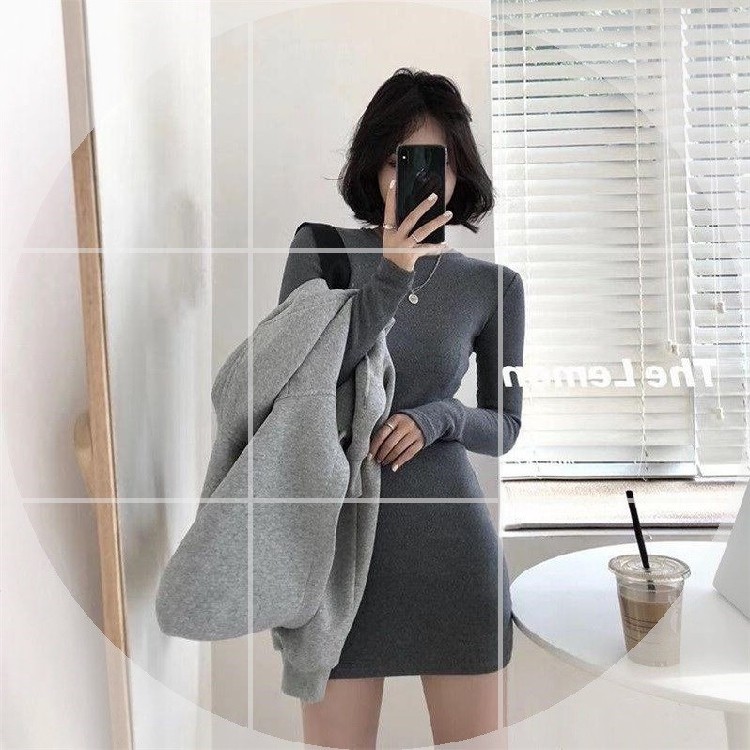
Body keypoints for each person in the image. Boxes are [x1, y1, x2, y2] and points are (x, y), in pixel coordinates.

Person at [277, 67, 525, 749]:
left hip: (455, 558)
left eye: (432, 159)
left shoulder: (495, 287)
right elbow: (302, 385)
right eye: (397, 158)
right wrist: (393, 271)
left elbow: (505, 427)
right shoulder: (322, 254)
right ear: (374, 167)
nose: (411, 176)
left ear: (458, 172)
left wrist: (439, 417)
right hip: (339, 561)